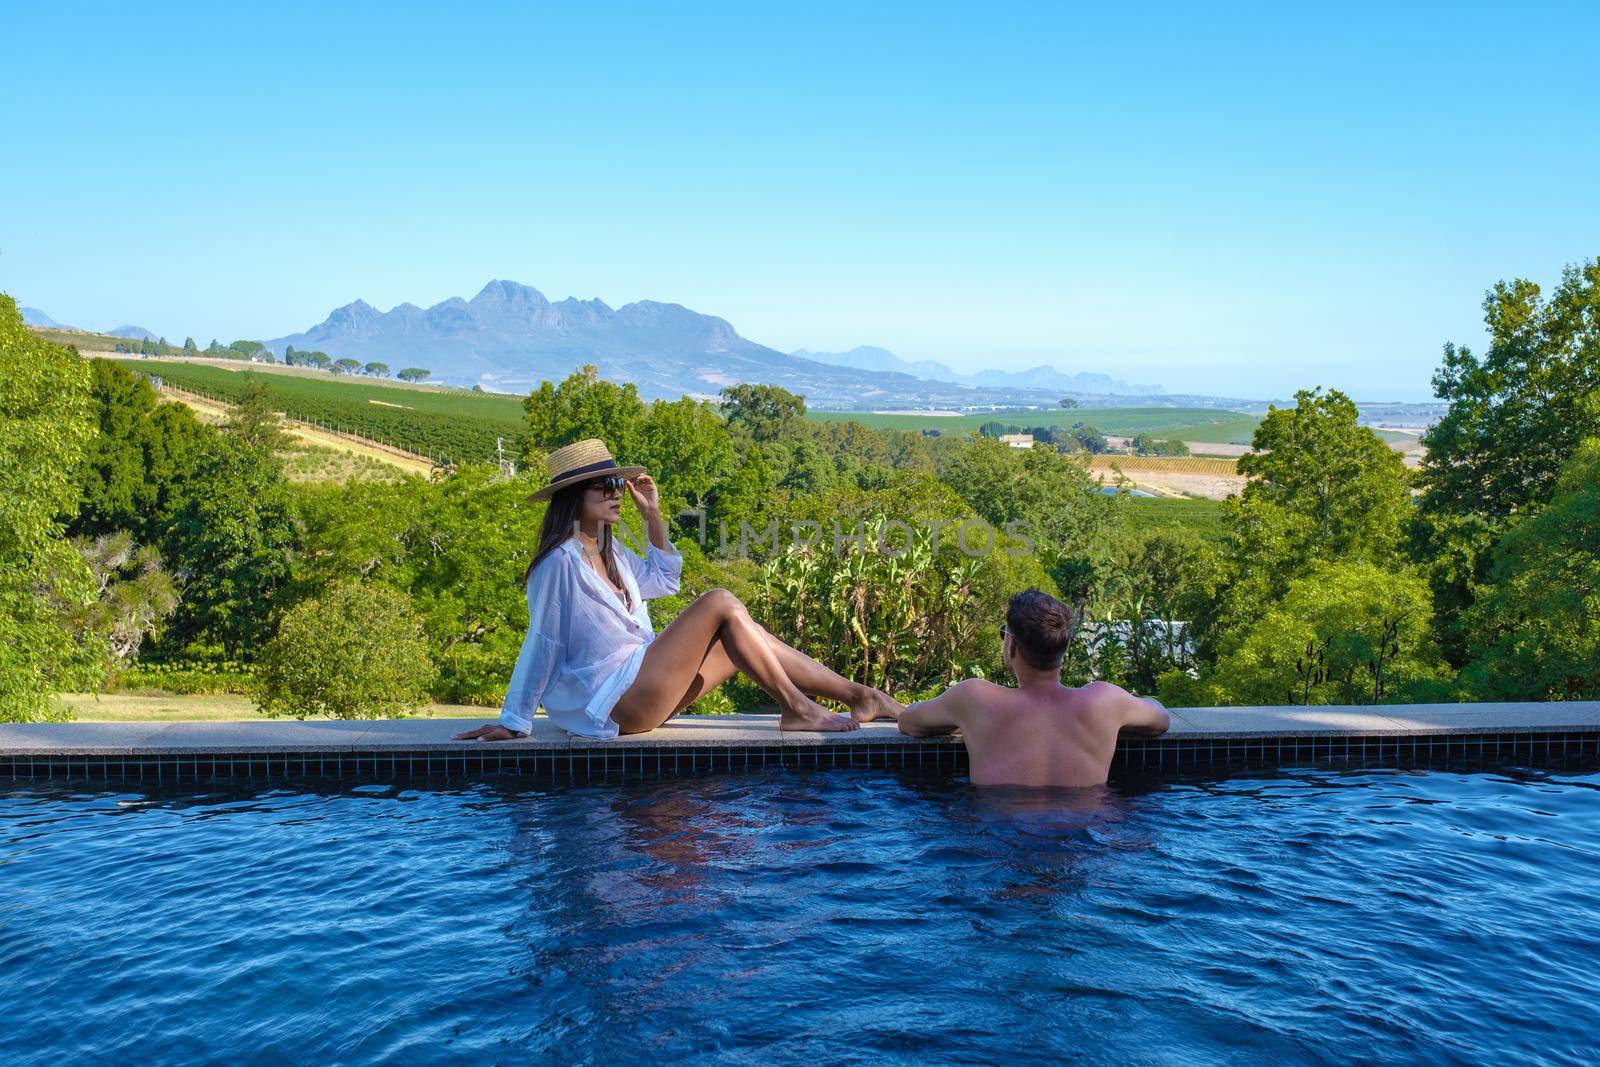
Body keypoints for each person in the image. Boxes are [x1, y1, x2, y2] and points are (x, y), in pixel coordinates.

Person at [454, 439, 901, 742]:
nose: (615, 493)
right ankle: (799, 708)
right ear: (573, 494)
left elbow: (666, 581)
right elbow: (543, 642)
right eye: (603, 486)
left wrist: (652, 516)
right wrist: (515, 722)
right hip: (616, 701)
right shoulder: (558, 565)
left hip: (645, 688)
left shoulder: (613, 554)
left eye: (617, 484)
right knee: (721, 601)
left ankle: (862, 695)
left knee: (742, 635)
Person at [897, 589, 1169, 787]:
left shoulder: (974, 698)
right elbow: (1161, 719)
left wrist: (964, 721)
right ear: (1063, 647)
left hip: (1002, 840)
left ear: (1012, 645)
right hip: (1084, 840)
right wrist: (1118, 715)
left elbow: (909, 722)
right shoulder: (1106, 701)